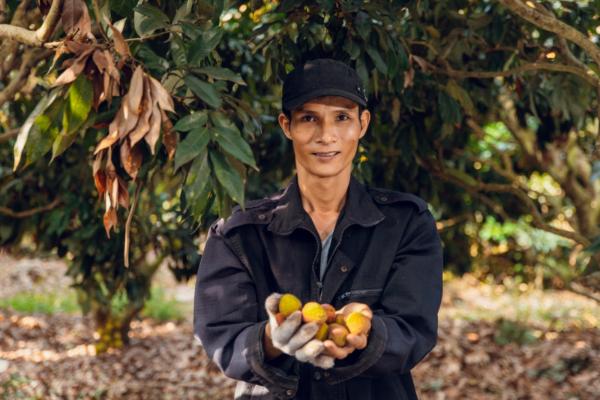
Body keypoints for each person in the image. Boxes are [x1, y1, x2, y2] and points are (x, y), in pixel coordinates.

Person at [194, 58, 443, 399]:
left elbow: (414, 328)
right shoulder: (239, 234)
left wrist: (367, 335)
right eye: (309, 118)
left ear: (363, 124)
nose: (326, 136)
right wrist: (271, 339)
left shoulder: (407, 223)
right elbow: (222, 336)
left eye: (342, 117)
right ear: (287, 125)